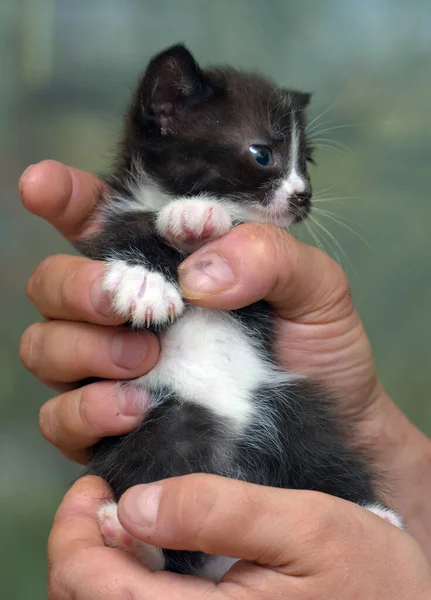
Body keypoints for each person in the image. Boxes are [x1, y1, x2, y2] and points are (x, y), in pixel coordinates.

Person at [19, 160, 431, 599]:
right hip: (177, 412)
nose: (298, 185)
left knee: (302, 419)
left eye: (303, 164)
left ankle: (352, 503)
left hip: (254, 403)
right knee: (153, 440)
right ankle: (160, 552)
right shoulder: (144, 223)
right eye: (263, 154)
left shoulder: (232, 242)